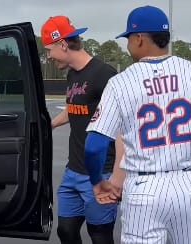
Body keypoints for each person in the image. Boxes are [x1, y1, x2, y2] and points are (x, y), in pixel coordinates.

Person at [84, 5, 191, 244]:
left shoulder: (120, 83)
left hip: (143, 187)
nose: (128, 44)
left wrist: (97, 181)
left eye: (129, 38)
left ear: (140, 38)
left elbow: (94, 146)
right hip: (188, 184)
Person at [41, 16, 125, 244]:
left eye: (49, 49)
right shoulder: (72, 74)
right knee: (66, 231)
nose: (48, 55)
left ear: (63, 45)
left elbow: (121, 128)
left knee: (99, 235)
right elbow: (75, 108)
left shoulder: (104, 75)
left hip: (101, 171)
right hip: (73, 170)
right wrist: (47, 125)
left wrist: (117, 176)